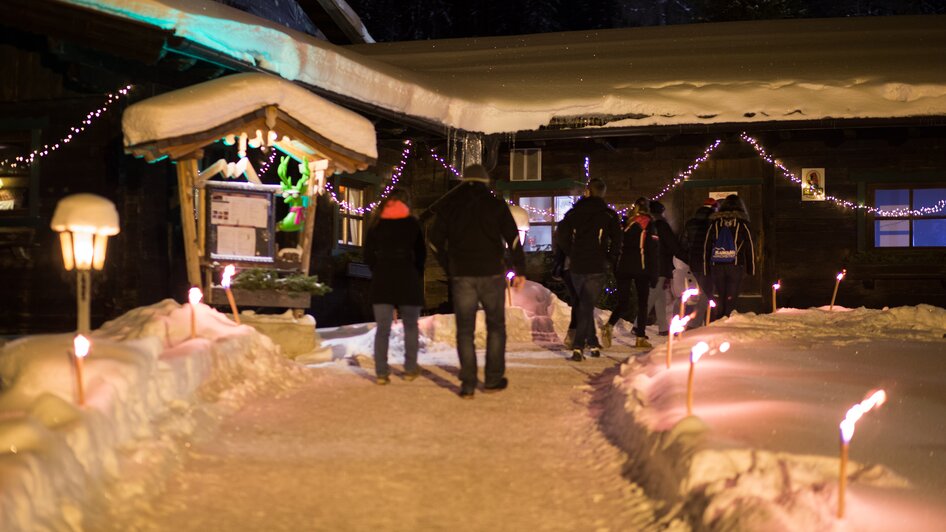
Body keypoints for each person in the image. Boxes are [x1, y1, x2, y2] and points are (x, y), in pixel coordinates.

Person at [429, 164, 526, 399]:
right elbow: (513, 239)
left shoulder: (449, 206)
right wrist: (519, 269)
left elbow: (433, 241)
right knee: (496, 327)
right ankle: (492, 380)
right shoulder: (495, 204)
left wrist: (448, 264)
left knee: (465, 330)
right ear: (485, 182)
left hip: (462, 274)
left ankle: (468, 384)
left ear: (464, 180)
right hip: (491, 272)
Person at [363, 189, 426, 385]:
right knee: (410, 327)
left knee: (382, 329)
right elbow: (421, 255)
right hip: (407, 279)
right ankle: (409, 369)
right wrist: (414, 274)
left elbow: (367, 256)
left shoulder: (376, 225)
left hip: (383, 280)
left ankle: (381, 372)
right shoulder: (412, 224)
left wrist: (378, 269)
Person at [555, 178, 622, 361]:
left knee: (584, 304)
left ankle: (591, 342)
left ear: (588, 191)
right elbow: (617, 239)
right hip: (597, 265)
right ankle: (579, 346)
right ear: (602, 193)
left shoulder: (574, 213)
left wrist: (571, 252)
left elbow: (561, 235)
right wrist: (610, 257)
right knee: (586, 304)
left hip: (577, 265)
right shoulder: (608, 215)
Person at [602, 197, 657, 349]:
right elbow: (652, 250)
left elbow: (615, 245)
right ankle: (640, 337)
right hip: (641, 267)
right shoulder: (649, 224)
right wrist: (654, 273)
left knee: (623, 301)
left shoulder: (625, 224)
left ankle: (609, 325)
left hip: (623, 267)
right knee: (642, 303)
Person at [703, 194, 755, 319]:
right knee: (731, 296)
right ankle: (727, 321)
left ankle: (718, 319)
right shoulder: (742, 223)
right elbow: (749, 245)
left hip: (717, 265)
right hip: (736, 265)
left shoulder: (715, 223)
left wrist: (706, 268)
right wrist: (751, 268)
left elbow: (707, 246)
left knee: (720, 295)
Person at [646, 200, 685, 336]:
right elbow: (672, 244)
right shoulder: (662, 225)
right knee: (653, 295)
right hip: (660, 264)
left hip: (652, 264)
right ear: (661, 212)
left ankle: (662, 327)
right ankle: (637, 324)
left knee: (660, 296)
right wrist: (683, 255)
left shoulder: (649, 225)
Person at [680, 198, 718, 327]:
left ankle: (702, 321)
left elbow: (683, 244)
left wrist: (690, 257)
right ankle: (700, 322)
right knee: (708, 293)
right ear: (714, 208)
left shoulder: (690, 223)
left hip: (694, 262)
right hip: (708, 262)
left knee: (703, 291)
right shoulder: (713, 222)